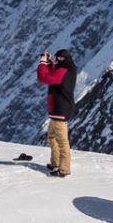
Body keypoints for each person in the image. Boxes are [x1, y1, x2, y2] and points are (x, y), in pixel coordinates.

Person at [36, 49, 78, 177]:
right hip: (57, 110)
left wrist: (43, 63)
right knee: (52, 138)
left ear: (62, 59)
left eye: (57, 58)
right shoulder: (67, 68)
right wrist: (49, 64)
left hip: (60, 109)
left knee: (62, 141)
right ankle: (55, 163)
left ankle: (64, 169)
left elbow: (44, 77)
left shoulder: (63, 71)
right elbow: (54, 73)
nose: (56, 60)